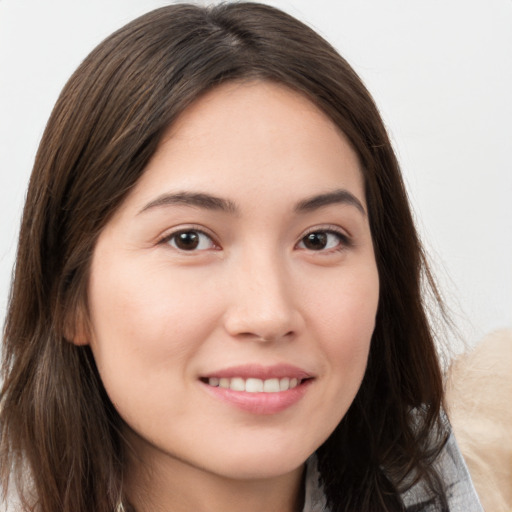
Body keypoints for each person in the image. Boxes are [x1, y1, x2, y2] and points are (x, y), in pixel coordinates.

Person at [0, 3, 483, 511]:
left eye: (319, 239)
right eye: (189, 239)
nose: (268, 314)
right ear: (67, 294)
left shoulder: (438, 477)